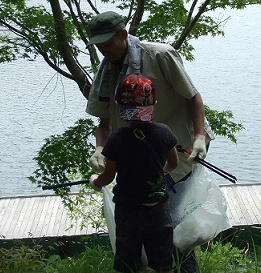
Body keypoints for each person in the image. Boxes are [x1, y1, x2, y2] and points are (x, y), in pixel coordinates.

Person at [86, 11, 215, 273]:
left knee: (172, 226)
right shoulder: (107, 71)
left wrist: (200, 136)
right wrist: (100, 148)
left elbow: (193, 97)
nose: (104, 51)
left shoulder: (160, 55)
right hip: (139, 159)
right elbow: (104, 122)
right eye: (98, 47)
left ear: (123, 35)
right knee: (156, 226)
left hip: (180, 149)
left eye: (108, 44)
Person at [89, 73, 179, 273]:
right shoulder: (164, 132)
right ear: (153, 102)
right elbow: (173, 164)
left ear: (119, 104)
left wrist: (96, 182)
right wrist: (158, 173)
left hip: (128, 211)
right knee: (164, 262)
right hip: (158, 209)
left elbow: (109, 176)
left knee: (128, 262)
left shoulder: (116, 138)